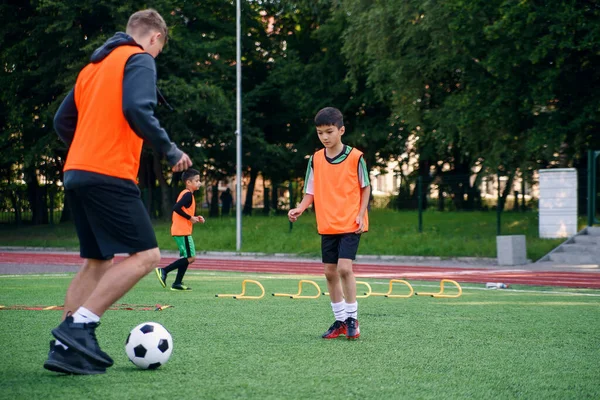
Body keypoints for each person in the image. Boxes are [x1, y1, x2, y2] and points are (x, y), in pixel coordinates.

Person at [44, 9, 192, 375]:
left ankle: (66, 349)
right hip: (108, 173)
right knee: (148, 256)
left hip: (77, 172)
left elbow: (62, 122)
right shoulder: (139, 58)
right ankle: (80, 326)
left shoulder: (91, 70)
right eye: (159, 49)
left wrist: (87, 146)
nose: (155, 56)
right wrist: (170, 150)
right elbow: (137, 108)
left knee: (98, 261)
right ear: (155, 37)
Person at [288, 107, 370, 340]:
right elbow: (309, 191)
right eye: (320, 133)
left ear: (341, 130)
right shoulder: (315, 159)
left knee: (345, 268)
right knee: (329, 273)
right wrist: (300, 208)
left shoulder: (356, 157)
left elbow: (366, 188)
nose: (325, 137)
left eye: (329, 131)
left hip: (351, 222)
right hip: (328, 223)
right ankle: (340, 321)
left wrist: (361, 214)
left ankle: (353, 319)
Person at [155, 169, 204, 291]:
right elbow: (176, 208)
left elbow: (184, 211)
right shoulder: (187, 194)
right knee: (191, 258)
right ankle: (164, 270)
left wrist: (195, 217)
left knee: (186, 257)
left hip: (181, 230)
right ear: (188, 182)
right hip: (182, 231)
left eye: (199, 180)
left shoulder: (187, 194)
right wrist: (190, 217)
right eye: (197, 181)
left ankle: (177, 283)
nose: (199, 183)